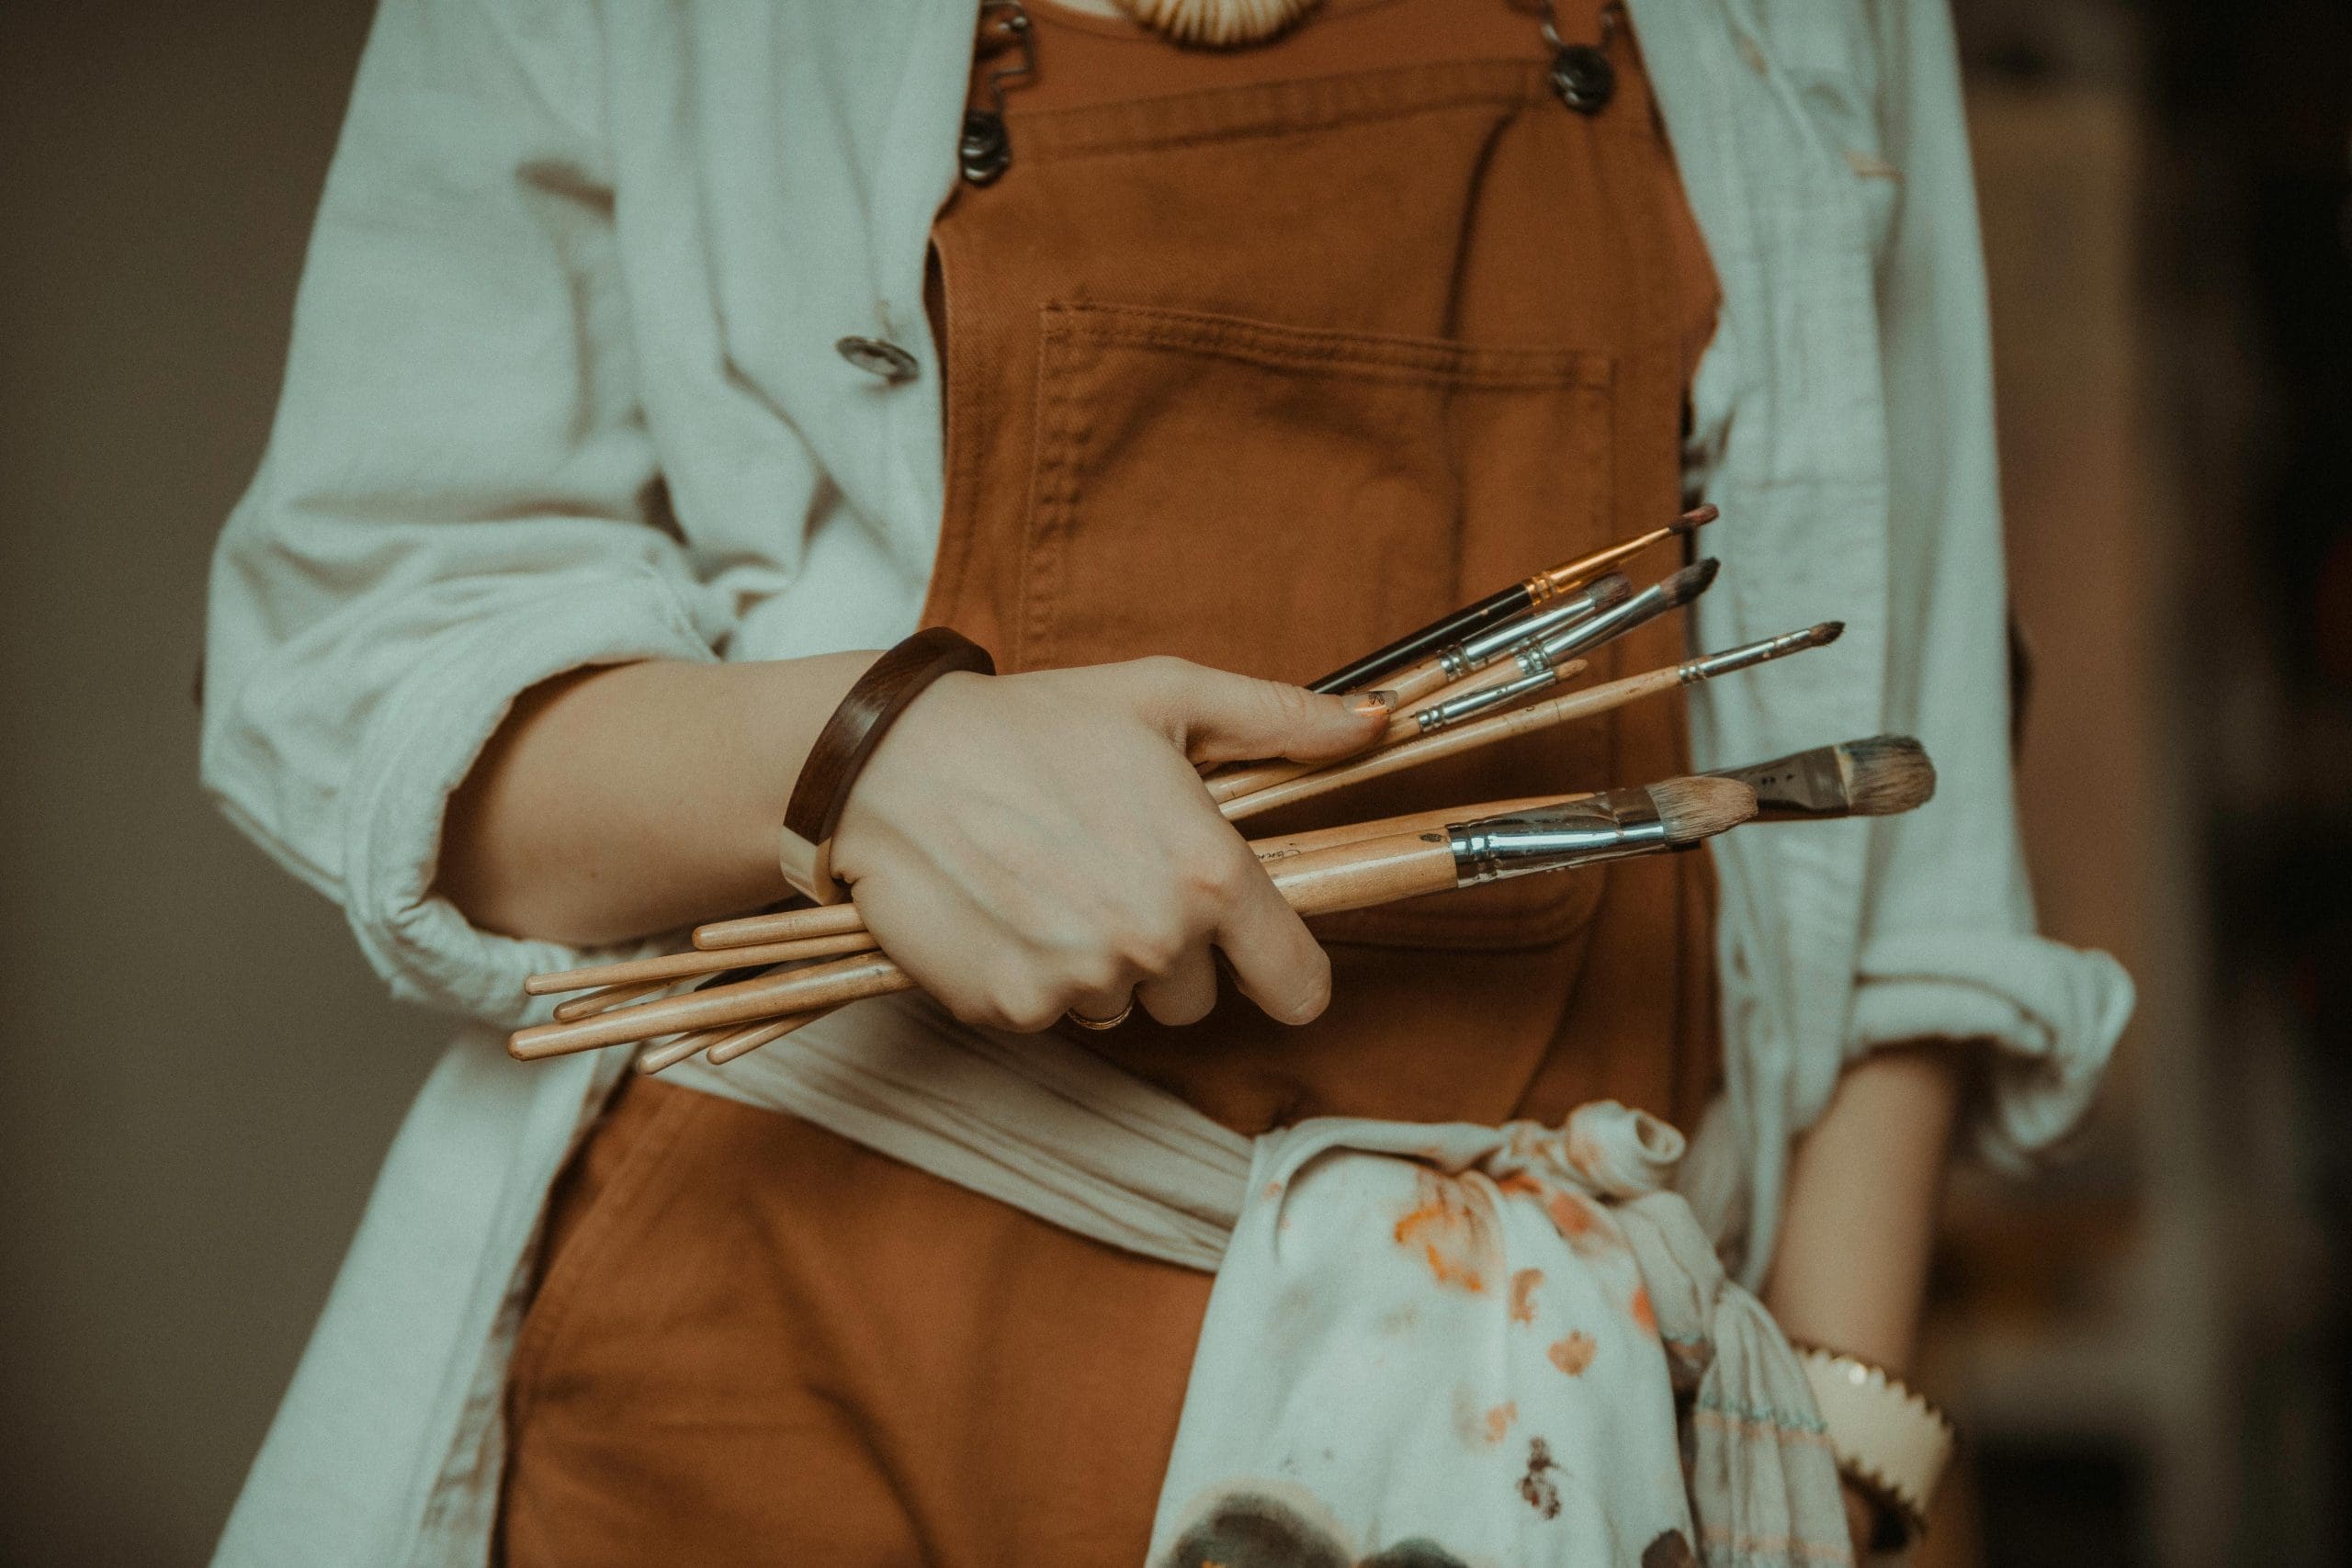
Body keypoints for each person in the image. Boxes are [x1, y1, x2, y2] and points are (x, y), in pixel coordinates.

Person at [199, 1, 2132, 1562]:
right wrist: (863, 757)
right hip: (785, 1376)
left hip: (1537, 1444)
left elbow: (1913, 779)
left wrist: (1839, 1457)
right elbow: (359, 661)